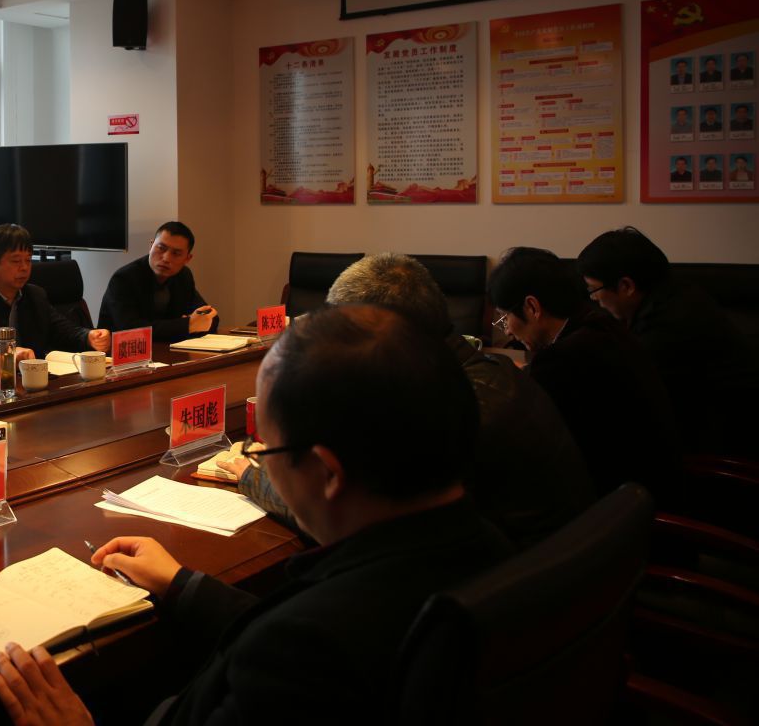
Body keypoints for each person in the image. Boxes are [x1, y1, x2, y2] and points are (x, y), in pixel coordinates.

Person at [0, 305, 509, 724]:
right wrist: (184, 585)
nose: (260, 461)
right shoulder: (488, 548)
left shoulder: (303, 653)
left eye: (267, 450)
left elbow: (298, 641)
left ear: (328, 473)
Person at [224, 253, 593, 548]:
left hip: (506, 591)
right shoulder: (493, 371)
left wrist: (253, 475)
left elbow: (360, 522)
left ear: (390, 336)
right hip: (549, 573)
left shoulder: (442, 415)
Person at [488, 247, 677, 496]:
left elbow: (532, 442)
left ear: (532, 307)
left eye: (505, 318)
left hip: (617, 501)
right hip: (653, 481)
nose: (508, 331)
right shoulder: (602, 323)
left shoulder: (561, 360)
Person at [577, 227, 755, 455]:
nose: (594, 299)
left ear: (626, 286)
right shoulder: (675, 293)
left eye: (594, 290)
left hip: (722, 445)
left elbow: (625, 388)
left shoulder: (670, 325)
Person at [0, 224, 109, 360]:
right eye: (16, 261)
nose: (24, 267)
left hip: (31, 379)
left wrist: (88, 336)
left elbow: (60, 329)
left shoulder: (35, 295)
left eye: (28, 260)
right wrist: (7, 349)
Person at [97, 221, 218, 341]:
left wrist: (192, 323)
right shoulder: (124, 278)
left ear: (187, 259)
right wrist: (187, 324)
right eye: (161, 248)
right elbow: (130, 330)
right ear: (151, 246)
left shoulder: (183, 276)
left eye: (176, 253)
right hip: (118, 351)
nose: (166, 258)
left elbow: (211, 318)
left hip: (167, 348)